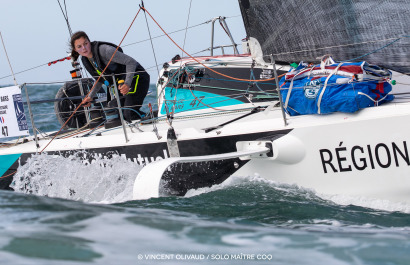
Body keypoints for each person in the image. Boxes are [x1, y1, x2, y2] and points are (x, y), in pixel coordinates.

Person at [70, 31, 150, 121]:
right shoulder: (86, 59)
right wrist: (90, 96)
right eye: (79, 46)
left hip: (138, 78)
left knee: (129, 113)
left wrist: (127, 84)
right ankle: (147, 118)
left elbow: (131, 62)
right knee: (115, 111)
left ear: (90, 42)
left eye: (86, 43)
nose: (84, 48)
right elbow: (100, 79)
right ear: (75, 50)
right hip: (122, 83)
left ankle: (151, 121)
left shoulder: (105, 50)